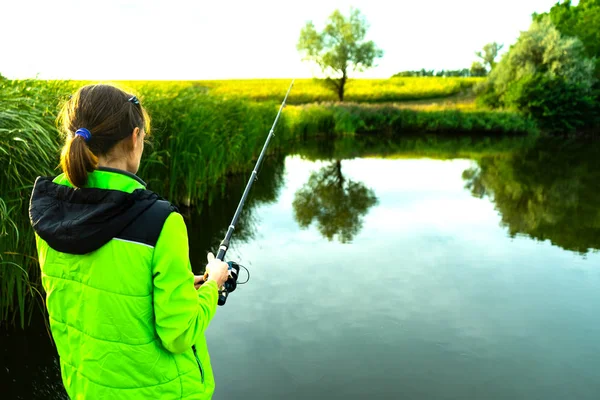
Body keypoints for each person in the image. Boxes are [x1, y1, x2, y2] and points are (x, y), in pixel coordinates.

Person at [29, 83, 229, 399]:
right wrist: (211, 286)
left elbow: (92, 289)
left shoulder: (47, 211)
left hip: (85, 388)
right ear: (135, 138)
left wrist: (177, 284)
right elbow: (178, 334)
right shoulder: (160, 221)